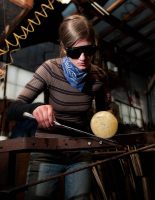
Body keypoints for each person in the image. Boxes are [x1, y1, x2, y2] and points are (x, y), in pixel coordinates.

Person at [7, 14, 111, 200]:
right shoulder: (49, 69)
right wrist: (35, 108)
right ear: (63, 48)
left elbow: (103, 116)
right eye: (74, 52)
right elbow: (13, 109)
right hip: (47, 149)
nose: (83, 58)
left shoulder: (98, 77)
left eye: (89, 50)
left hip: (80, 151)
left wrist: (109, 123)